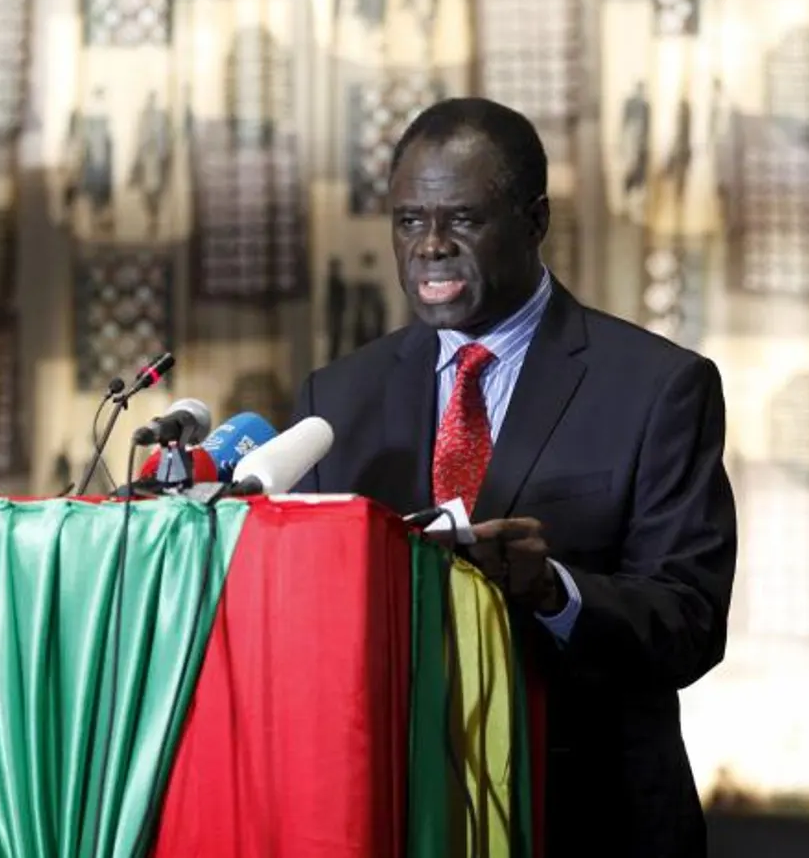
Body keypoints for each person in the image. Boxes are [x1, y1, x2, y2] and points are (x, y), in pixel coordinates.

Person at [294, 97, 737, 856]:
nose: (430, 246)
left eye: (461, 219)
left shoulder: (657, 387)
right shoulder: (334, 401)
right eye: (409, 221)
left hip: (591, 823)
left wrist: (553, 589)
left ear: (535, 221)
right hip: (397, 816)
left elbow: (690, 622)